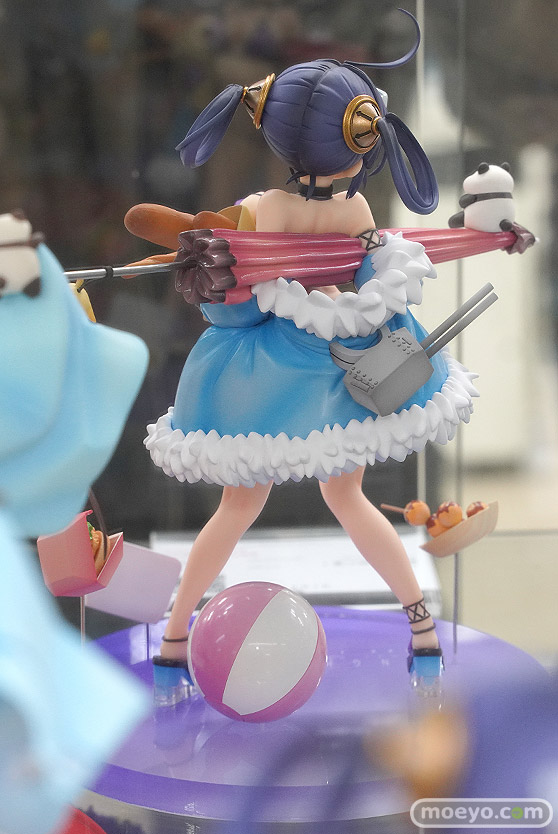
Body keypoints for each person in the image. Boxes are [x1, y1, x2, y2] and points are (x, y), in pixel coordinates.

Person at [146, 12, 467, 700]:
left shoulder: (266, 210)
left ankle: (173, 640)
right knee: (346, 498)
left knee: (239, 507)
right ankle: (422, 632)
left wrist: (222, 274)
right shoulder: (353, 212)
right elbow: (374, 293)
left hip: (266, 382)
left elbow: (233, 311)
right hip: (341, 373)